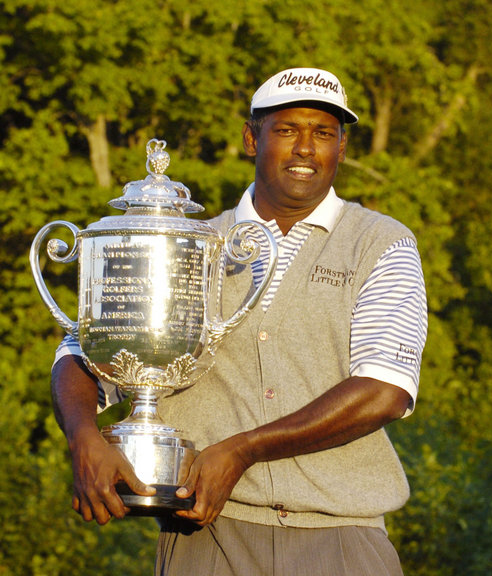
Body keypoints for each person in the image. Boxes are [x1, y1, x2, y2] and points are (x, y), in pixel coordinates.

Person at [50, 67, 428, 575]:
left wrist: (244, 451)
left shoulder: (381, 243)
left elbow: (385, 389)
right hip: (207, 539)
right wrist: (84, 437)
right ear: (252, 138)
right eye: (287, 130)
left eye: (323, 133)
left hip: (341, 539)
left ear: (341, 146)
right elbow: (81, 351)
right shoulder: (187, 243)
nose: (305, 149)